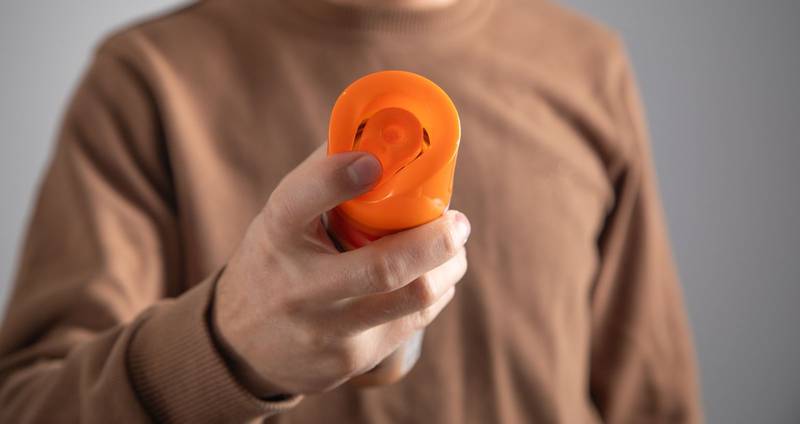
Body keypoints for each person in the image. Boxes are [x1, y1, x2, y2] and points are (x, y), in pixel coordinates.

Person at [0, 0, 703, 422]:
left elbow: (652, 398)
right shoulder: (148, 79)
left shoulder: (587, 67)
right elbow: (29, 408)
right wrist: (226, 347)